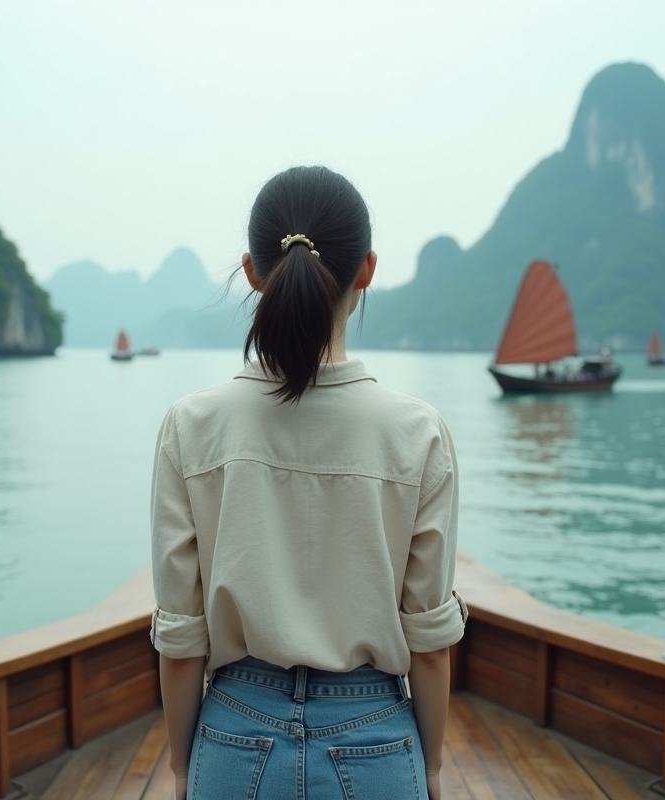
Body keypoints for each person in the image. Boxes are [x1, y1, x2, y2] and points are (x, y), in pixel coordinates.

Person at [150, 166, 465, 800]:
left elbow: (182, 640)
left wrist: (185, 770)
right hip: (376, 738)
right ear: (367, 269)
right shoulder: (419, 434)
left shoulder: (191, 427)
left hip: (235, 734)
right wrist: (429, 770)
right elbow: (428, 644)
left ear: (252, 272)